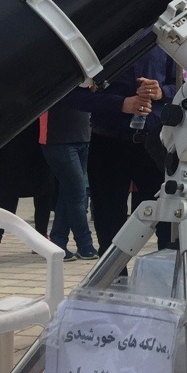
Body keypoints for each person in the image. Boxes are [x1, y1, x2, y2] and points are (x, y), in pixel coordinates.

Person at [68, 46, 177, 254]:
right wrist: (121, 104)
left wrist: (162, 92)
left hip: (154, 144)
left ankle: (168, 272)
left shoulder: (164, 42)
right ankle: (113, 273)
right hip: (108, 143)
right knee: (108, 224)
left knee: (168, 221)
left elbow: (182, 87)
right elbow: (72, 96)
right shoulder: (99, 43)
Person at [0, 120, 55, 263]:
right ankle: (40, 239)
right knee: (42, 194)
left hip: (13, 140)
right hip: (38, 140)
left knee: (7, 196)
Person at [40, 101, 98, 262]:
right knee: (78, 194)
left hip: (83, 135)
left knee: (69, 194)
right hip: (56, 139)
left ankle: (58, 242)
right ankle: (85, 244)